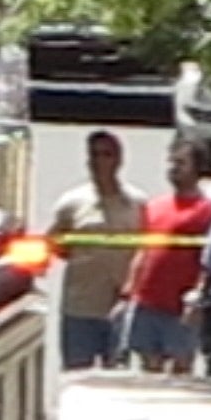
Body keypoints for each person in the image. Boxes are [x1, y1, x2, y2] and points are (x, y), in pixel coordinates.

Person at [45, 126, 136, 370]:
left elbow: (145, 250)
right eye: (93, 155)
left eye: (106, 155)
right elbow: (54, 243)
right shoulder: (72, 203)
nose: (99, 162)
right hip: (80, 305)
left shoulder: (137, 203)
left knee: (117, 375)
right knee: (76, 375)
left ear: (118, 160)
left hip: (118, 306)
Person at [120, 133, 211, 368]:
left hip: (180, 306)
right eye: (171, 162)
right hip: (148, 301)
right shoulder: (155, 206)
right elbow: (144, 249)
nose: (173, 168)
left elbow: (208, 261)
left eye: (181, 163)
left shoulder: (208, 211)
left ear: (197, 168)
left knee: (181, 368)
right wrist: (130, 290)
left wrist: (198, 298)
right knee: (148, 366)